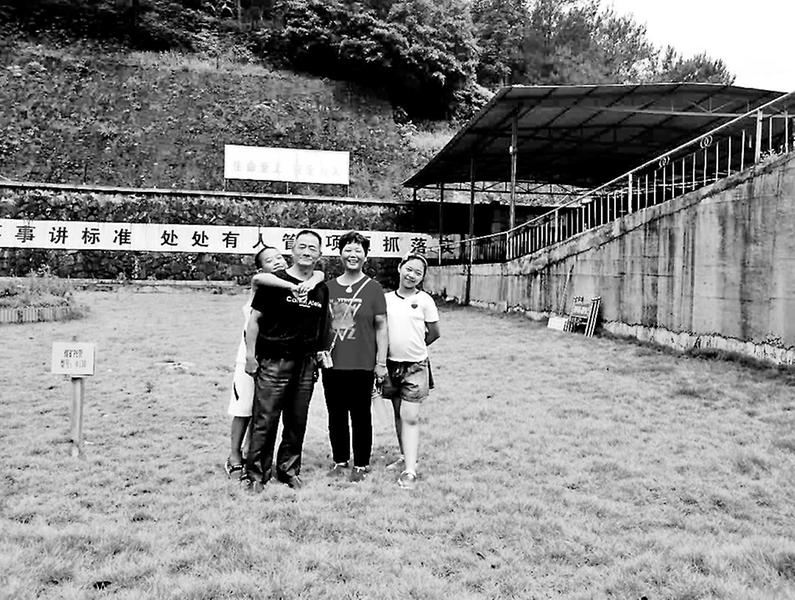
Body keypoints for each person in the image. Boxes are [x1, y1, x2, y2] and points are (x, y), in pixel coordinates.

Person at [224, 246, 324, 479]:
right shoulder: (263, 284)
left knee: (265, 411)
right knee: (244, 409)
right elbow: (259, 279)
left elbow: (319, 274)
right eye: (269, 260)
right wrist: (294, 285)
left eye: (279, 257)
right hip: (250, 356)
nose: (277, 262)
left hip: (275, 357)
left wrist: (311, 280)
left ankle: (251, 453)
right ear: (261, 268)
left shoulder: (298, 284)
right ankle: (234, 455)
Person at [322, 231, 388, 482]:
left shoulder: (373, 288)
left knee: (361, 416)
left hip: (363, 363)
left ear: (365, 256)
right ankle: (340, 460)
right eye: (348, 249)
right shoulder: (328, 288)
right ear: (340, 254)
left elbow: (381, 326)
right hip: (333, 364)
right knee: (336, 415)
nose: (353, 254)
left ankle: (361, 463)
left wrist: (380, 362)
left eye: (358, 250)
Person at [382, 253, 440, 490]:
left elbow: (434, 332)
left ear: (422, 277)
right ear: (400, 268)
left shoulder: (425, 300)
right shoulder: (386, 299)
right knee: (398, 414)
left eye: (418, 272)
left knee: (411, 416)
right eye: (409, 269)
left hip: (416, 366)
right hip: (390, 365)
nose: (412, 275)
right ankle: (405, 456)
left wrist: (416, 347)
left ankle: (410, 471)